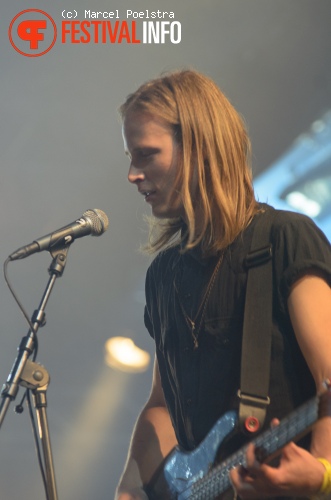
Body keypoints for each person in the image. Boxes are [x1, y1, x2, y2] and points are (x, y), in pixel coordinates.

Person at [115, 69, 331, 500]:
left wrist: (322, 475)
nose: (133, 174)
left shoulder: (284, 239)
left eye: (146, 155)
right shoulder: (164, 275)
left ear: (197, 148)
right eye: (130, 158)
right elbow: (161, 405)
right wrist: (129, 491)